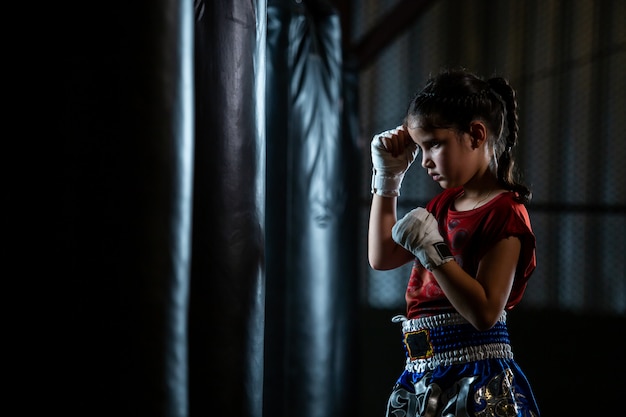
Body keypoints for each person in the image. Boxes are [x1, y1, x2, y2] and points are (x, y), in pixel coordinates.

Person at [368, 68, 540, 417]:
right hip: (421, 377)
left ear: (476, 134)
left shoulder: (506, 212)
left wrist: (433, 253)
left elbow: (486, 312)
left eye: (433, 144)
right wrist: (387, 181)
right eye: (420, 147)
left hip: (477, 381)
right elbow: (382, 256)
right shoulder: (442, 205)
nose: (425, 160)